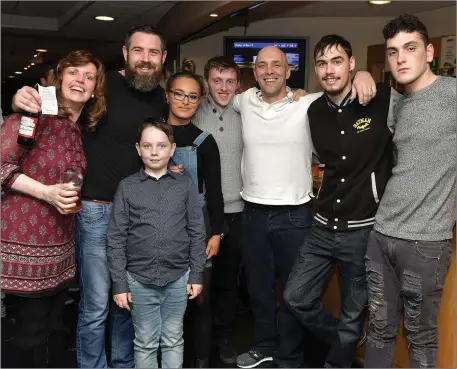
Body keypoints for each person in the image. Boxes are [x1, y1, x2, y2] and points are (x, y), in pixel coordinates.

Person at [11, 24, 168, 368]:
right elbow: (56, 103)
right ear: (125, 53)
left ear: (163, 58)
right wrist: (23, 98)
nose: (145, 59)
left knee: (129, 301)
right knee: (96, 304)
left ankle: (123, 364)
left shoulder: (159, 96)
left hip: (137, 214)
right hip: (95, 211)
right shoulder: (101, 83)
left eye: (153, 52)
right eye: (138, 51)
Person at [233, 46, 376, 368]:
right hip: (252, 213)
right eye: (262, 66)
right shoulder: (243, 102)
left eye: (277, 66)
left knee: (294, 295)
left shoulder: (309, 102)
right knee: (259, 290)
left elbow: (345, 90)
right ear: (254, 73)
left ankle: (290, 355)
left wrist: (363, 74)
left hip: (294, 215)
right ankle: (264, 346)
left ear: (288, 72)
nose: (269, 71)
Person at [283, 34, 400, 368]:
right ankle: (343, 338)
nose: (329, 70)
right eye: (322, 63)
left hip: (362, 232)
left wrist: (368, 76)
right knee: (295, 297)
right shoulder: (314, 110)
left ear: (351, 64)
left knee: (353, 314)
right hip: (321, 228)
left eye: (337, 61)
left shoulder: (382, 99)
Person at [1, 50, 106, 368]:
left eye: (89, 77)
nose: (81, 81)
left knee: (52, 330)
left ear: (94, 89)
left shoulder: (81, 128)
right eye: (74, 72)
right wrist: (46, 192)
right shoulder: (33, 118)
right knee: (30, 336)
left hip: (60, 252)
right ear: (59, 78)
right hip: (26, 249)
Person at [364, 14, 456, 368]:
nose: (400, 58)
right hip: (381, 236)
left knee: (420, 337)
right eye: (392, 52)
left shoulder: (452, 94)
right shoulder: (395, 103)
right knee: (380, 329)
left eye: (410, 48)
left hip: (425, 244)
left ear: (430, 52)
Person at [107, 119, 207, 368]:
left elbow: (197, 232)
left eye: (161, 146)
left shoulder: (184, 185)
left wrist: (196, 275)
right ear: (138, 148)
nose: (154, 152)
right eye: (147, 145)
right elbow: (116, 238)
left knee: (173, 339)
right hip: (139, 280)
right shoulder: (127, 187)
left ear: (172, 149)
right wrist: (119, 284)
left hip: (178, 278)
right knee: (145, 342)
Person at [165, 67, 225, 368]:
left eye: (192, 96)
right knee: (165, 302)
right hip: (158, 231)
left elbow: (215, 192)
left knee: (200, 301)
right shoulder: (151, 135)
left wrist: (216, 233)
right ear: (168, 95)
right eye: (179, 94)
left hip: (198, 230)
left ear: (200, 100)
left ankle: (200, 361)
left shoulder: (205, 141)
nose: (185, 101)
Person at [193, 56, 243, 365]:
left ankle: (223, 337)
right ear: (206, 83)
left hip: (237, 212)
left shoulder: (246, 111)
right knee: (198, 284)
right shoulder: (193, 111)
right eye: (216, 81)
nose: (223, 88)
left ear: (238, 84)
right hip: (201, 214)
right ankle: (199, 341)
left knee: (227, 282)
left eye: (229, 81)